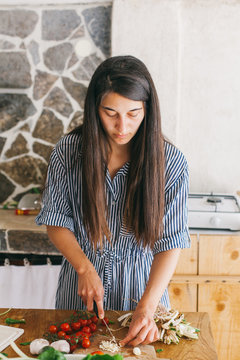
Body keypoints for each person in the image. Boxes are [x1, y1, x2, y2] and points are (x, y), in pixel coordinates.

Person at [36, 55, 190, 347]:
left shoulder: (171, 162)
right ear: (95, 109)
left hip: (143, 296)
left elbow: (171, 242)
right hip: (79, 293)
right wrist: (84, 268)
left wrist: (148, 305)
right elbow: (55, 221)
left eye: (133, 113)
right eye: (110, 113)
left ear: (148, 109)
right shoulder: (68, 153)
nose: (122, 126)